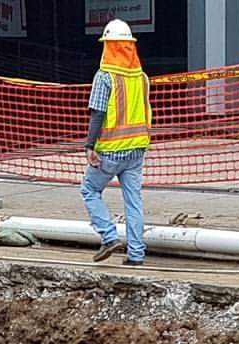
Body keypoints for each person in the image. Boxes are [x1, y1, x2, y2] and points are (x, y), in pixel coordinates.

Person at [80, 19, 151, 267]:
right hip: (137, 149)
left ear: (108, 46)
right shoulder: (141, 77)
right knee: (133, 202)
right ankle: (136, 255)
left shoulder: (105, 77)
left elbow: (98, 113)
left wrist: (90, 146)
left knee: (89, 190)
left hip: (110, 150)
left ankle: (109, 236)